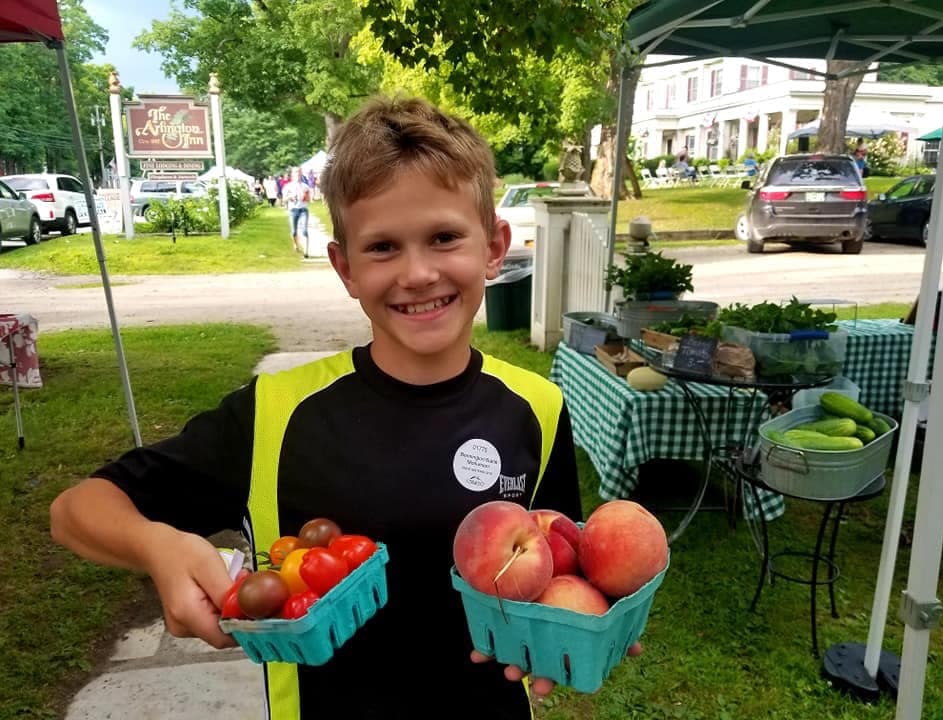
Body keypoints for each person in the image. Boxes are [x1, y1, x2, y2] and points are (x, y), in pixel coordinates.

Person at [49, 96, 608, 720]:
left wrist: (592, 619)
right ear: (344, 267)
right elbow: (76, 510)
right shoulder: (276, 414)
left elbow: (564, 565)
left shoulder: (537, 406)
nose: (418, 273)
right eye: (382, 248)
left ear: (494, 247)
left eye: (444, 237)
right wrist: (156, 547)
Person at [282, 167, 311, 254]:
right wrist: (290, 197)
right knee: (294, 231)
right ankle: (296, 244)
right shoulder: (288, 186)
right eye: (295, 172)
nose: (297, 174)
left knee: (304, 230)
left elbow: (309, 199)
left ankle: (306, 252)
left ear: (301, 174)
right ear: (292, 174)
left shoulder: (305, 186)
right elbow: (284, 199)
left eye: (299, 172)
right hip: (293, 210)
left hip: (303, 210)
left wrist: (305, 197)